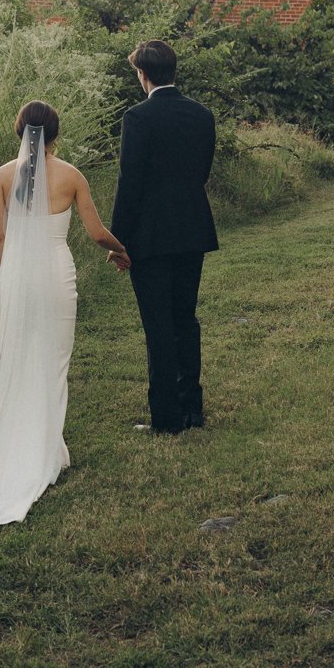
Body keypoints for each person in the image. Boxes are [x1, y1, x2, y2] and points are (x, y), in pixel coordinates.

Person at [0, 101, 130, 531]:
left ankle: (32, 449)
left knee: (20, 364)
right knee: (54, 364)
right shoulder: (72, 175)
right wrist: (119, 249)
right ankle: (45, 453)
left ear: (19, 131)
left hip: (18, 283)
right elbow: (97, 233)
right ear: (56, 134)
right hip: (57, 279)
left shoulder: (4, 175)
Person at [110, 39, 217, 435]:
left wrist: (116, 240)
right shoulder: (202, 115)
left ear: (143, 75)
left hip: (150, 238)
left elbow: (130, 183)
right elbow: (201, 172)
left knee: (158, 326)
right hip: (192, 230)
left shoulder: (137, 118)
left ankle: (167, 419)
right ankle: (193, 409)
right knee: (185, 319)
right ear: (173, 71)